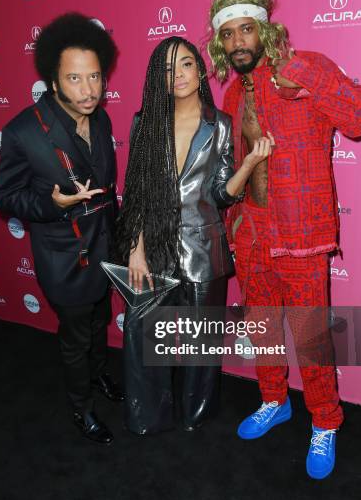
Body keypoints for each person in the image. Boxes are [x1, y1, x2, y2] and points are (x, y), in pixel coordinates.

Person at [207, 0, 361, 479]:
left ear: (264, 28)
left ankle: (325, 421)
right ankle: (274, 400)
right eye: (227, 34)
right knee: (263, 329)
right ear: (220, 43)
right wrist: (236, 218)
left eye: (246, 28)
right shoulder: (230, 91)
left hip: (301, 235)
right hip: (252, 232)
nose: (238, 41)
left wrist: (308, 77)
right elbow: (238, 164)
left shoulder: (304, 67)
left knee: (311, 338)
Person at [113, 36, 273, 435]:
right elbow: (137, 193)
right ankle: (147, 417)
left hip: (204, 249)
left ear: (200, 70)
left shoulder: (220, 125)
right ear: (158, 78)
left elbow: (221, 193)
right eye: (167, 68)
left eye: (185, 64)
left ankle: (196, 415)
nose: (178, 75)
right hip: (155, 247)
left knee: (202, 346)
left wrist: (251, 161)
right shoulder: (143, 121)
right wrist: (136, 249)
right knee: (142, 334)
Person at [0, 13, 123, 445]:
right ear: (53, 82)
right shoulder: (22, 132)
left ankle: (101, 374)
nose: (89, 90)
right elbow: (7, 198)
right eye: (75, 79)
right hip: (64, 256)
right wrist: (50, 205)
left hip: (104, 246)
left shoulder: (102, 120)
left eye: (95, 77)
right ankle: (81, 407)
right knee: (75, 338)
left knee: (101, 319)